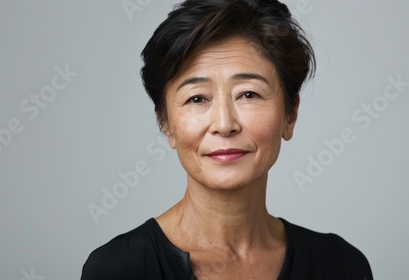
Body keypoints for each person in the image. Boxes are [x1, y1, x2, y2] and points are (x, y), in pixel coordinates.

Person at [82, 0, 373, 279]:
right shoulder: (119, 269)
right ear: (166, 123)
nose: (224, 124)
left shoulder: (340, 265)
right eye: (197, 98)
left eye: (248, 94)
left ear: (290, 115)